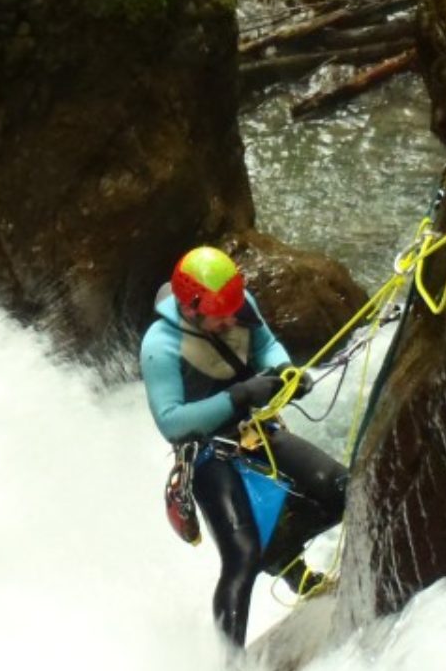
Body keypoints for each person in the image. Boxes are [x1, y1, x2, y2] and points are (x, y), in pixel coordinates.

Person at [140, 245, 349, 647]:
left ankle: (283, 552)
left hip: (255, 431)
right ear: (191, 309)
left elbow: (266, 344)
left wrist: (285, 371)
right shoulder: (160, 346)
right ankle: (231, 670)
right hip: (205, 454)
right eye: (221, 314)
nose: (232, 319)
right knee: (243, 555)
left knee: (342, 488)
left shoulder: (238, 305)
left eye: (234, 309)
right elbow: (171, 423)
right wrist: (238, 396)